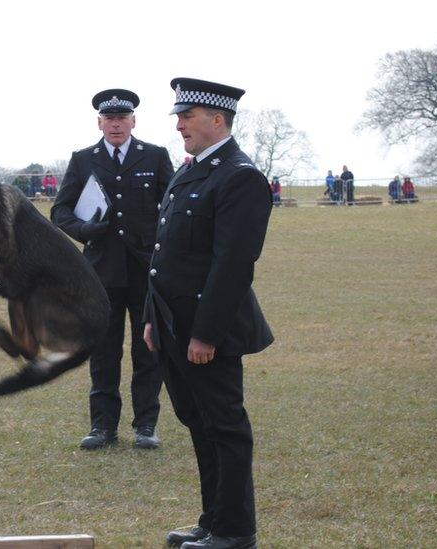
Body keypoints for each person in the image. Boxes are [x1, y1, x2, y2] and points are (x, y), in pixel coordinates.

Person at [144, 78, 272, 549]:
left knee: (225, 427)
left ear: (217, 119)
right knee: (199, 424)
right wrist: (151, 319)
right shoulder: (192, 170)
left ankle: (236, 532)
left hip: (205, 330)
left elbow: (234, 265)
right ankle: (213, 521)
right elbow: (163, 253)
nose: (179, 126)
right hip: (173, 324)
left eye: (187, 116)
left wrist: (207, 334)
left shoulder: (240, 176)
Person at [51, 88, 174, 451]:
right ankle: (102, 426)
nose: (116, 124)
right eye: (109, 118)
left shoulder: (154, 156)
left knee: (147, 348)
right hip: (101, 272)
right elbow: (60, 212)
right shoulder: (83, 159)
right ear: (99, 123)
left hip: (145, 271)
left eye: (122, 118)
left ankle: (146, 425)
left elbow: (172, 207)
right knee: (104, 351)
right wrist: (84, 231)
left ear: (133, 121)